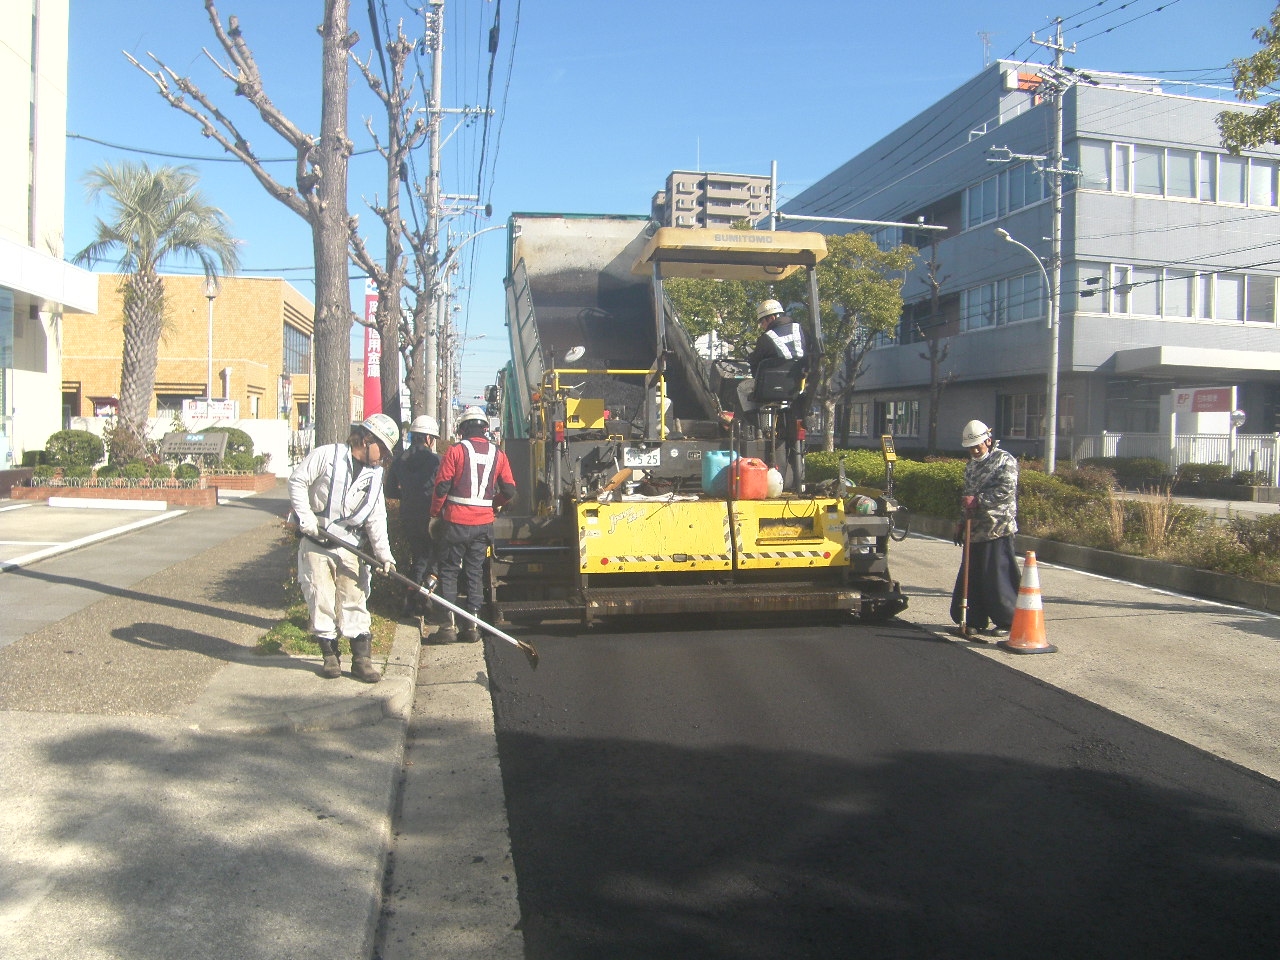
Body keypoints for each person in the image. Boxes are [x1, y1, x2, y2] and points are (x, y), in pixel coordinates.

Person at [288, 413, 399, 682]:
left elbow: (376, 517)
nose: (382, 457)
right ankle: (330, 657)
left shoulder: (374, 476)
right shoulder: (327, 455)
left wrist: (385, 556)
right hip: (316, 541)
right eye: (381, 449)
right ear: (366, 439)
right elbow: (297, 481)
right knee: (320, 597)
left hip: (349, 544)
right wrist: (306, 519)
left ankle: (362, 660)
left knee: (355, 598)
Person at [428, 405, 517, 643]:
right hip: (483, 524)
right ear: (485, 429)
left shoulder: (455, 451)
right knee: (474, 572)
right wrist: (493, 504)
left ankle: (447, 627)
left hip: (455, 521)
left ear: (463, 428)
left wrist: (435, 513)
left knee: (448, 571)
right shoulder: (499, 454)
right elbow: (509, 489)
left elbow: (441, 487)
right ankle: (472, 626)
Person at [950, 419, 1022, 639]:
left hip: (997, 528)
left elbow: (1006, 490)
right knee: (972, 576)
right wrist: (962, 521)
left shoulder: (1004, 460)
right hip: (975, 531)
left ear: (988, 441)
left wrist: (979, 500)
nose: (974, 451)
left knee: (997, 577)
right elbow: (967, 496)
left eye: (978, 446)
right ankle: (974, 619)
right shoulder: (971, 466)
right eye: (970, 448)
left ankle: (1007, 620)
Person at [385, 414, 441, 626]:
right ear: (429, 438)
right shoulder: (437, 461)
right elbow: (443, 490)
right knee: (435, 559)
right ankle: (424, 595)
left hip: (408, 514)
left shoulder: (399, 459)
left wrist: (408, 497)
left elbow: (390, 490)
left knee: (418, 557)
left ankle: (410, 599)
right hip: (431, 516)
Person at [735, 299, 809, 414]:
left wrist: (751, 357)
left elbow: (755, 362)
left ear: (771, 318)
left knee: (742, 388)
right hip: (796, 386)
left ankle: (753, 422)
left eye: (762, 322)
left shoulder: (766, 338)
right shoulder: (801, 330)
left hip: (769, 387)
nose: (761, 326)